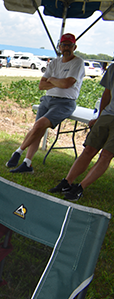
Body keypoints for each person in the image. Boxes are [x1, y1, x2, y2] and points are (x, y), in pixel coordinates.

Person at [6, 33, 85, 173]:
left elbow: (67, 83)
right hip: (48, 99)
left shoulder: (77, 62)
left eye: (69, 45)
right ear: (59, 46)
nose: (66, 48)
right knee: (38, 130)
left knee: (39, 125)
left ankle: (18, 152)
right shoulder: (55, 62)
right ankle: (27, 164)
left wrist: (52, 80)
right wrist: (57, 82)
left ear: (74, 47)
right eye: (64, 45)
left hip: (65, 103)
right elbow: (41, 85)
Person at [48, 64, 114, 201]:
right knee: (89, 149)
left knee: (106, 155)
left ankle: (80, 188)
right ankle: (67, 182)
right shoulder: (113, 68)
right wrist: (100, 116)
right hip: (107, 116)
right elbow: (107, 94)